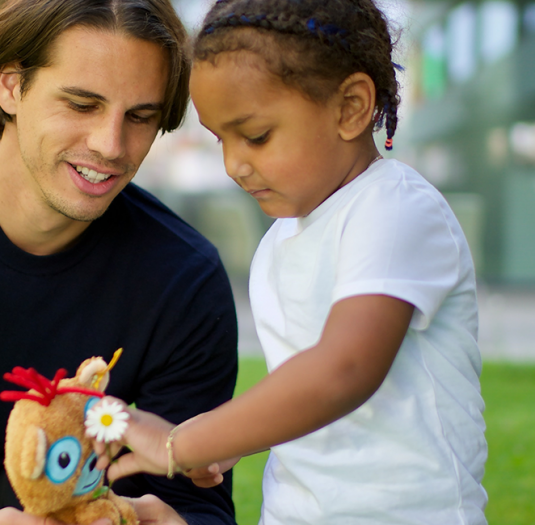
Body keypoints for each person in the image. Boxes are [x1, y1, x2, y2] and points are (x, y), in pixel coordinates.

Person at [90, 1, 488, 524]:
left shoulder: (394, 209)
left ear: (351, 108)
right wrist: (232, 438)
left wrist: (185, 441)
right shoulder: (282, 239)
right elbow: (304, 385)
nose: (234, 165)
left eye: (255, 135)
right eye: (219, 140)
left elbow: (342, 369)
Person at [0, 1, 238, 525]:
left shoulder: (184, 282)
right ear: (11, 86)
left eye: (140, 117)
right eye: (82, 104)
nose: (111, 145)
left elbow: (198, 506)